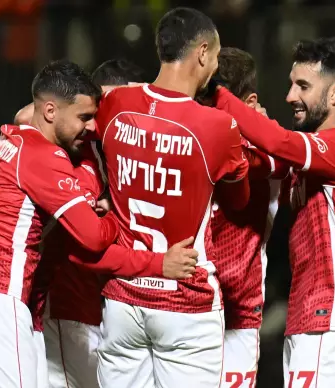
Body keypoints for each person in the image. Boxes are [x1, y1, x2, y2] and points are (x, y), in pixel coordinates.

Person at [0, 59, 199, 388]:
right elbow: (92, 240)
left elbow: (29, 114)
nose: (93, 125)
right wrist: (114, 213)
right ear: (51, 111)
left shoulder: (17, 141)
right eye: (85, 117)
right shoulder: (50, 157)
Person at [93, 7, 250, 388]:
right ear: (201, 52)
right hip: (185, 302)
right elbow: (240, 201)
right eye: (214, 56)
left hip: (123, 299)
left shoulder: (115, 106)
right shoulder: (217, 127)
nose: (214, 67)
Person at [212, 37, 335, 387]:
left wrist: (216, 93)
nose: (290, 96)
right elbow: (263, 159)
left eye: (303, 85)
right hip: (314, 316)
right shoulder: (314, 159)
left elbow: (279, 142)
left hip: (333, 312)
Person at [35, 59, 146, 388]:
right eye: (106, 106)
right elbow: (27, 114)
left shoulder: (139, 154)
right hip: (67, 307)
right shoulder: (75, 152)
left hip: (111, 311)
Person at [201, 47, 290, 388]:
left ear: (247, 103)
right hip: (186, 304)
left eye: (215, 104)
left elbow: (275, 160)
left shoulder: (272, 150)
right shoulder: (188, 136)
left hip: (238, 311)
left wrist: (255, 128)